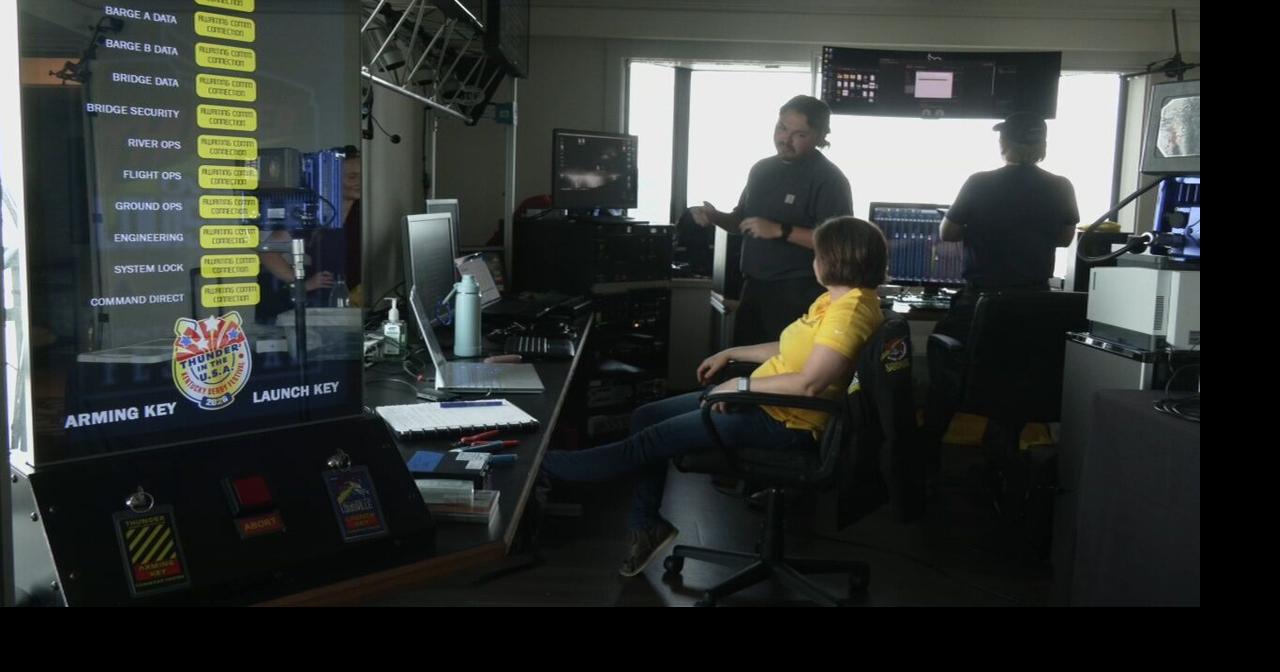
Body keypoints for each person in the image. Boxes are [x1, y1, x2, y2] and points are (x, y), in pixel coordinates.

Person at [541, 216, 888, 577]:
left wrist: (738, 388)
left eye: (818, 252)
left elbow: (810, 384)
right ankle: (646, 526)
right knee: (646, 415)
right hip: (765, 403)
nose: (813, 260)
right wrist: (732, 353)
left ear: (834, 259)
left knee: (651, 440)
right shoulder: (835, 301)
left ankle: (546, 467)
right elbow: (790, 349)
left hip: (784, 421)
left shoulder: (850, 313)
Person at [922, 112, 1079, 465]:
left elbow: (948, 233)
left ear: (1003, 144)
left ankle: (926, 452)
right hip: (1033, 304)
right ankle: (1002, 451)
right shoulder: (1061, 186)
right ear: (1042, 146)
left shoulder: (979, 182)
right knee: (1013, 379)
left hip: (980, 302)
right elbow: (1065, 237)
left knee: (943, 361)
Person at [691, 95, 853, 347]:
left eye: (799, 134)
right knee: (745, 368)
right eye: (782, 128)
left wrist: (780, 230)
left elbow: (837, 243)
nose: (785, 140)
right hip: (753, 288)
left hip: (799, 293)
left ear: (821, 136)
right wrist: (715, 217)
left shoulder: (830, 179)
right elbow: (742, 222)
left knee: (782, 373)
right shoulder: (761, 170)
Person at [256, 147, 363, 322]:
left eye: (361, 176)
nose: (359, 181)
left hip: (359, 305)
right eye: (351, 177)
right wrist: (302, 284)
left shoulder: (368, 213)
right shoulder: (313, 214)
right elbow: (267, 252)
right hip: (322, 306)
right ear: (332, 180)